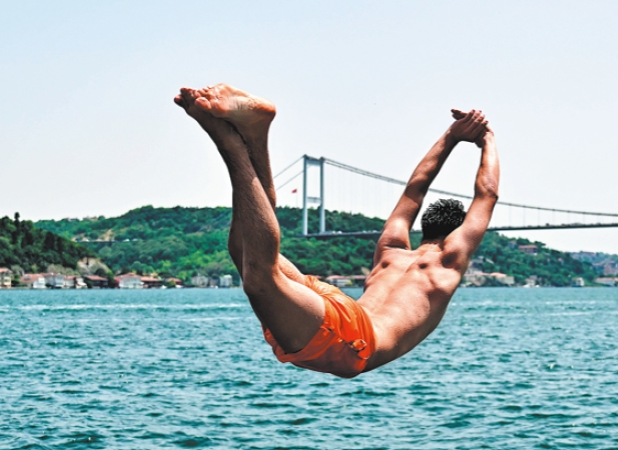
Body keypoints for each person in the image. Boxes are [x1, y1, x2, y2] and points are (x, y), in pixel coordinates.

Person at [174, 84, 499, 378]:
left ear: (424, 224)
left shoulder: (391, 249)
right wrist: (487, 139)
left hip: (338, 308)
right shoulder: (448, 262)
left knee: (244, 250)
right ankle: (229, 143)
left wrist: (451, 136)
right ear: (457, 231)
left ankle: (257, 135)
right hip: (356, 341)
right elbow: (487, 194)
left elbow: (416, 188)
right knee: (260, 279)